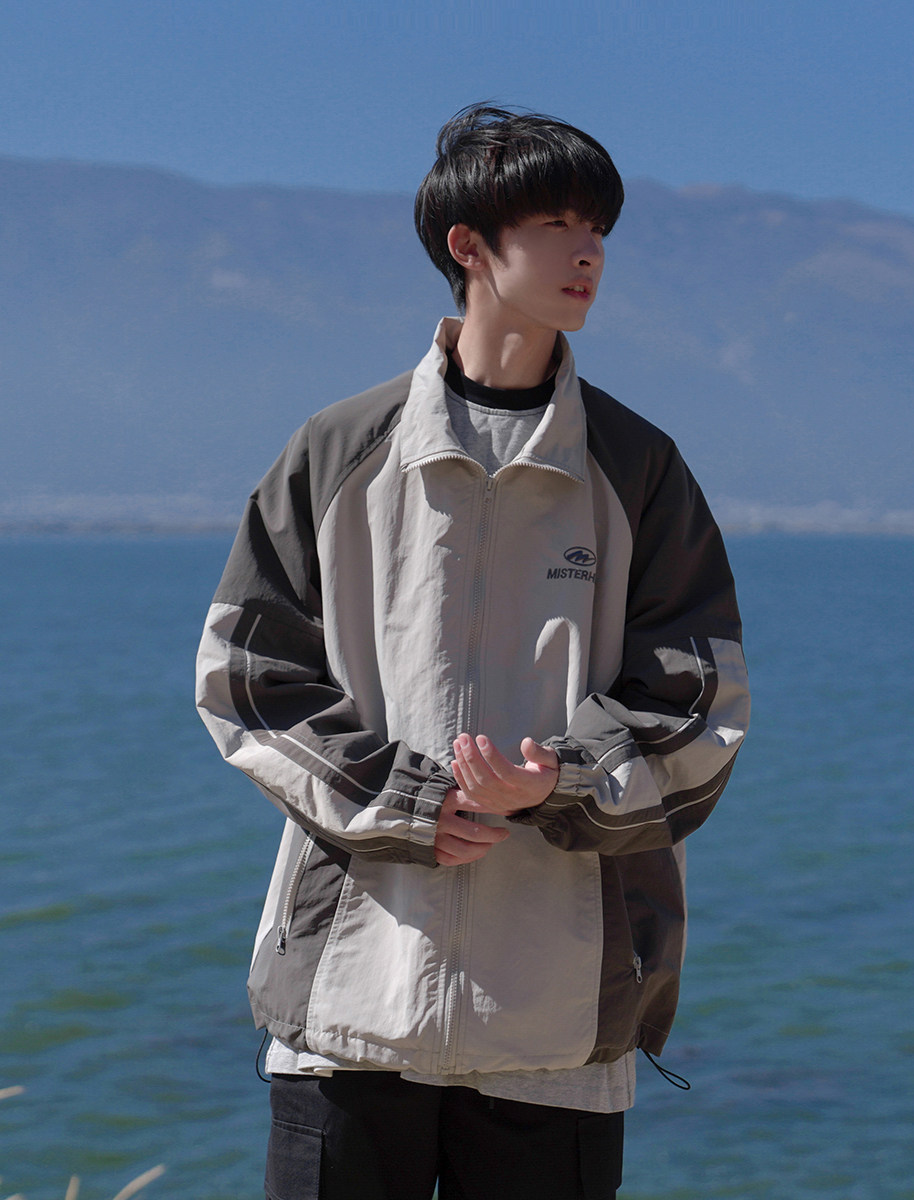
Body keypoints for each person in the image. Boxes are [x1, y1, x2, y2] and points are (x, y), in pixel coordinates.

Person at [195, 104, 750, 1200]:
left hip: (559, 1023)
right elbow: (245, 679)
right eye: (557, 224)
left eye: (599, 228)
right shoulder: (338, 452)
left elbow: (703, 703)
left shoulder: (639, 467)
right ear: (469, 245)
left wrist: (564, 778)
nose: (589, 253)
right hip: (352, 1008)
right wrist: (403, 801)